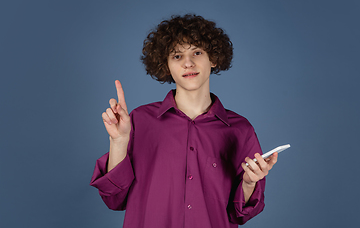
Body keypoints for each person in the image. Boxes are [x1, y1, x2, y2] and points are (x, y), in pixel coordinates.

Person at [90, 14, 278, 228]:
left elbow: (241, 214)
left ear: (213, 59)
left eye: (197, 52)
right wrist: (119, 141)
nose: (188, 63)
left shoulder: (239, 130)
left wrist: (249, 183)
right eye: (177, 56)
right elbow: (114, 198)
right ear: (166, 65)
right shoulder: (139, 121)